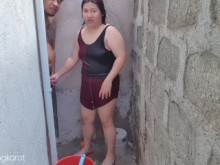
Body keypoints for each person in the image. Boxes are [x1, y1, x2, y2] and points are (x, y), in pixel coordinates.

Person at [50, 0, 127, 164]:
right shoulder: (80, 33)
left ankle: (110, 155)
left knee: (106, 122)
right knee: (86, 120)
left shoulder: (109, 32)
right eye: (85, 11)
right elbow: (73, 58)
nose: (89, 15)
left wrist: (108, 80)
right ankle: (86, 147)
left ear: (102, 13)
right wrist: (58, 74)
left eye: (93, 11)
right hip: (87, 83)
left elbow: (121, 57)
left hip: (106, 83)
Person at [44, 0, 63, 137]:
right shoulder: (32, 21)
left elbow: (53, 48)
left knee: (50, 126)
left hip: (49, 79)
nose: (56, 4)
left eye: (60, 1)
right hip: (37, 82)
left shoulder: (51, 22)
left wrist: (54, 73)